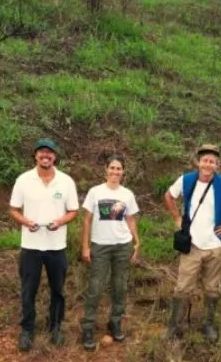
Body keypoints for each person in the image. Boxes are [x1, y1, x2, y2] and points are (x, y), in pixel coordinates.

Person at [163, 144, 221, 344]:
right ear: (198, 161)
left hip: (215, 245)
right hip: (192, 245)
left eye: (212, 161)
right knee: (182, 288)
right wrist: (176, 218)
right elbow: (169, 196)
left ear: (217, 165)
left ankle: (208, 324)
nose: (208, 164)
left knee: (212, 288)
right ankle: (175, 326)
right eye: (205, 160)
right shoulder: (186, 180)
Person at [9, 138, 79, 352]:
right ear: (35, 155)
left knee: (57, 290)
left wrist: (59, 221)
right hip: (31, 246)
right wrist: (25, 221)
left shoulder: (66, 181)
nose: (45, 156)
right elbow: (13, 209)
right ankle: (27, 330)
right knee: (28, 290)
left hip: (56, 246)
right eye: (42, 152)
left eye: (49, 153)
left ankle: (55, 327)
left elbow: (73, 211)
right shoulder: (24, 180)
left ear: (54, 156)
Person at [80, 154, 141, 351]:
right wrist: (85, 246)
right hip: (100, 246)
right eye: (112, 168)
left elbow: (130, 219)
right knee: (96, 287)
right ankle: (88, 327)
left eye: (119, 169)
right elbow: (87, 220)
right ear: (106, 169)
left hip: (122, 245)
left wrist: (136, 240)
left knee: (120, 287)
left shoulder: (127, 194)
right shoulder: (95, 192)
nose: (115, 172)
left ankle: (114, 322)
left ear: (123, 172)